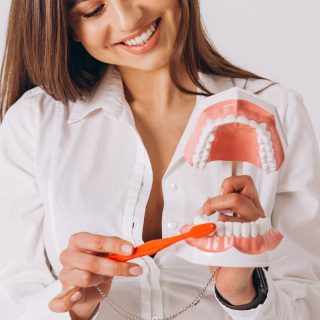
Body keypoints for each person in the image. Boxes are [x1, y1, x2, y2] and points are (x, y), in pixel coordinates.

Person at [0, 0, 319, 319]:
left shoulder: (277, 111)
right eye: (94, 9)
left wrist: (244, 293)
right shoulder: (34, 124)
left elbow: (309, 302)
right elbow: (13, 300)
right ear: (70, 28)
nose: (129, 20)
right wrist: (75, 306)